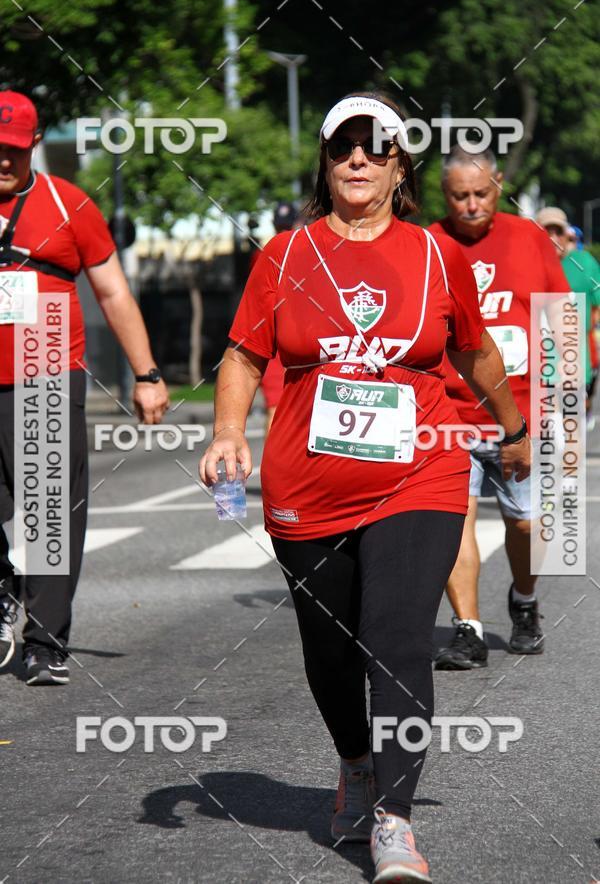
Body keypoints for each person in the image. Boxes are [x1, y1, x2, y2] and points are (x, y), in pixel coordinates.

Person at [200, 92, 529, 883]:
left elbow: (474, 350)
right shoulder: (284, 254)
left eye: (374, 146)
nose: (358, 158)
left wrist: (513, 427)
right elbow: (245, 356)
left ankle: (394, 819)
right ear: (325, 159)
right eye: (343, 144)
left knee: (399, 639)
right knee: (331, 650)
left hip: (420, 472)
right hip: (305, 483)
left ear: (398, 164)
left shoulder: (432, 254)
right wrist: (224, 434)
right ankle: (356, 761)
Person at [0, 91, 169, 684]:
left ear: (35, 145)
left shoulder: (68, 204)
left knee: (48, 516)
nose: (2, 160)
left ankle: (44, 643)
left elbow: (114, 291)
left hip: (45, 366)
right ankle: (7, 587)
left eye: (13, 151)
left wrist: (146, 375)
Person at [430, 147, 569, 672]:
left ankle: (525, 599)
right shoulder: (430, 243)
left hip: (519, 414)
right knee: (453, 521)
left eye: (481, 194)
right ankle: (468, 630)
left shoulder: (529, 237)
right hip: (446, 413)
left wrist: (564, 403)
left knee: (527, 524)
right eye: (458, 196)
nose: (470, 205)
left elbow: (563, 320)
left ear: (500, 185)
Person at [537, 206, 600, 428]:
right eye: (547, 231)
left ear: (567, 235)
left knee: (571, 439)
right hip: (538, 366)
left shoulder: (584, 263)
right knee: (545, 441)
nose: (553, 238)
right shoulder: (528, 264)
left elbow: (597, 305)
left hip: (574, 362)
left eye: (558, 231)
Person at [252, 202, 300, 434]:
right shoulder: (265, 255)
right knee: (275, 407)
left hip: (297, 339)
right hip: (278, 342)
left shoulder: (265, 253)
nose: (284, 231)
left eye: (286, 226)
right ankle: (276, 467)